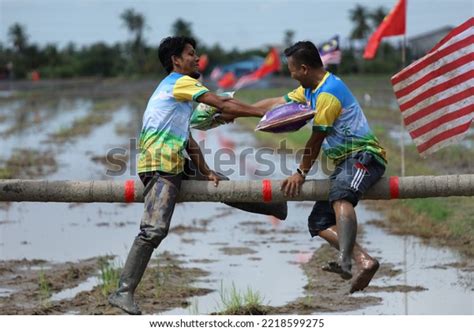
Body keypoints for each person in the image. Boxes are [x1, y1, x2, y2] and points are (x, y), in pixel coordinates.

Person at [108, 36, 286, 315]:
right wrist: (262, 113)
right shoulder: (180, 82)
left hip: (175, 160)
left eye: (196, 53)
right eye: (191, 54)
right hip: (160, 165)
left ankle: (274, 206)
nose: (197, 57)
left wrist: (204, 170)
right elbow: (222, 105)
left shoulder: (174, 92)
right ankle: (122, 292)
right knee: (153, 229)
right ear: (175, 61)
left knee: (219, 186)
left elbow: (186, 137)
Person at [253, 41, 387, 293]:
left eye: (292, 70)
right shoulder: (310, 90)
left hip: (364, 156)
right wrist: (237, 110)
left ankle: (346, 262)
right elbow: (276, 103)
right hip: (344, 163)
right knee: (319, 222)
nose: (290, 74)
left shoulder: (328, 93)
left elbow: (315, 140)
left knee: (341, 198)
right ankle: (363, 261)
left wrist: (300, 173)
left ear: (303, 69)